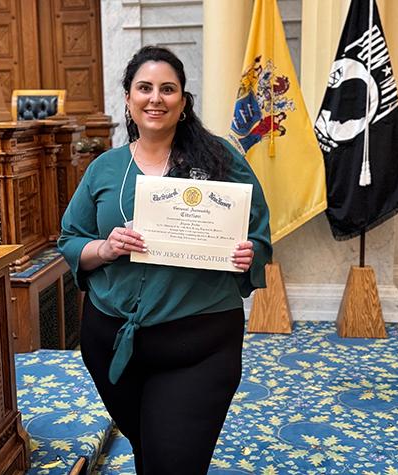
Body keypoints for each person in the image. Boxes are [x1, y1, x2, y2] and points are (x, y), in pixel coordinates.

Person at [58, 45, 272, 474]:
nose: (155, 98)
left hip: (199, 345)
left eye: (168, 89)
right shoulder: (104, 168)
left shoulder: (219, 160)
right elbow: (69, 240)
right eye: (145, 88)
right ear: (128, 98)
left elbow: (259, 233)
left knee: (173, 463)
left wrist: (248, 253)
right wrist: (105, 247)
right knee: (149, 454)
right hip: (111, 343)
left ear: (183, 101)